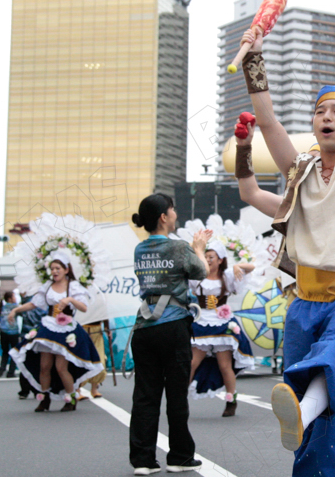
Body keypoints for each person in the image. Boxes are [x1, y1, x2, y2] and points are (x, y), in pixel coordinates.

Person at [234, 10, 335, 477]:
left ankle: (305, 419)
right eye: (320, 112)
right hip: (304, 298)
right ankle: (311, 441)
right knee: (319, 398)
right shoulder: (300, 172)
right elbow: (268, 124)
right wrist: (255, 58)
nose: (327, 118)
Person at [129, 193, 208, 475]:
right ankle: (180, 456)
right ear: (164, 217)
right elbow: (202, 271)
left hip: (144, 327)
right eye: (172, 209)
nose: (175, 213)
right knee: (176, 394)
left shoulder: (140, 250)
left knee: (145, 395)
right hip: (173, 326)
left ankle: (142, 460)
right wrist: (199, 247)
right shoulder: (178, 247)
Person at [8, 251, 102, 413]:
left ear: (66, 269)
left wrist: (70, 299)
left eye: (58, 268)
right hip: (49, 327)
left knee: (61, 367)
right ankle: (44, 399)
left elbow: (84, 307)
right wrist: (16, 310)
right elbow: (34, 304)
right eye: (52, 268)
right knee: (44, 366)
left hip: (66, 329)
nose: (54, 271)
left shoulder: (73, 286)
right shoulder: (48, 286)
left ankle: (71, 398)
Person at [187, 240, 255, 416]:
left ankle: (231, 400)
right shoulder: (197, 277)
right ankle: (179, 400)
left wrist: (237, 266)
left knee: (225, 365)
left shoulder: (227, 276)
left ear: (220, 260)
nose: (208, 260)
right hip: (202, 322)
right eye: (206, 256)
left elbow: (252, 267)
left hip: (221, 323)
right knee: (192, 363)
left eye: (212, 257)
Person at [0, 291, 20, 378]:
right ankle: (11, 372)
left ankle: (1, 369)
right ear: (10, 299)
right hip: (13, 332)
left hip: (3, 332)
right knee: (14, 352)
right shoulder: (16, 307)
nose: (15, 298)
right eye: (14, 297)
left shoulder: (1, 307)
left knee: (5, 352)